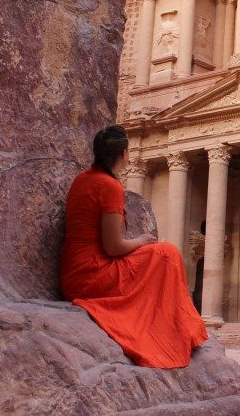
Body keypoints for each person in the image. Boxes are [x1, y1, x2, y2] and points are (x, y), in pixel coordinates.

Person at [59, 125, 208, 368]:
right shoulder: (110, 186)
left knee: (157, 255)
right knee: (166, 252)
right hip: (92, 275)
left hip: (73, 273)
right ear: (125, 154)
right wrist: (141, 241)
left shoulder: (82, 180)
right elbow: (113, 247)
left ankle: (176, 326)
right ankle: (179, 330)